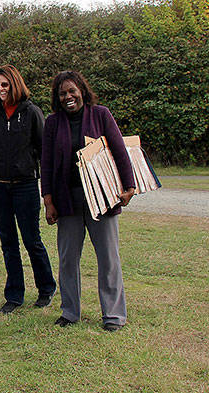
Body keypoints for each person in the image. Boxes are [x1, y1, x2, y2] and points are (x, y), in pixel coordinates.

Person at [41, 70, 135, 331]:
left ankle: (113, 316)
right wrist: (48, 200)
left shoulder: (100, 114)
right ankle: (70, 312)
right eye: (62, 93)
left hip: (102, 198)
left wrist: (129, 186)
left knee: (108, 259)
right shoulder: (52, 123)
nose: (68, 97)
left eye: (72, 91)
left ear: (82, 90)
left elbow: (118, 151)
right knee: (68, 260)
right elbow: (46, 164)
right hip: (67, 200)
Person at [0, 64, 57, 314]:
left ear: (14, 84)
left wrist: (48, 192)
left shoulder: (32, 112)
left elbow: (45, 152)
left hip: (26, 187)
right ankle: (14, 295)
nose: (0, 89)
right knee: (8, 242)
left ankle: (46, 289)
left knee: (32, 240)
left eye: (4, 84)